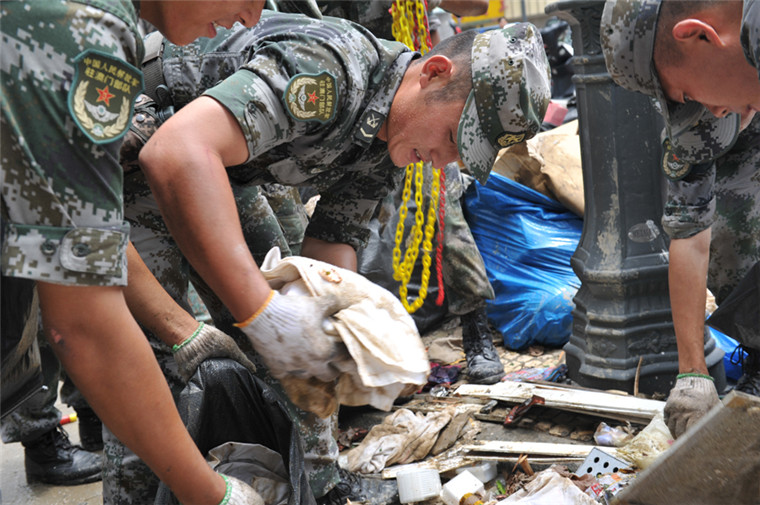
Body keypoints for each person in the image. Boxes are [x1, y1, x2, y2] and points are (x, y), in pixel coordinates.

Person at [120, 11, 550, 504]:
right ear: (433, 73)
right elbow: (174, 152)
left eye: (462, 155)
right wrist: (261, 312)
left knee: (306, 346)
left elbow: (329, 248)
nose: (442, 160)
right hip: (137, 138)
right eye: (454, 137)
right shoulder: (330, 69)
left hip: (223, 165)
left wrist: (340, 327)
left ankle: (323, 487)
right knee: (151, 365)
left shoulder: (391, 140)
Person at [1, 2, 271, 504]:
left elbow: (78, 226)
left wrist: (183, 331)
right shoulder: (80, 29)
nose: (252, 18)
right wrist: (211, 492)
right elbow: (81, 323)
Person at [600, 0, 760, 438]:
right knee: (733, 226)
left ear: (699, 35)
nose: (713, 110)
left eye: (688, 94)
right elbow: (690, 230)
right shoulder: (711, 102)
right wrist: (693, 374)